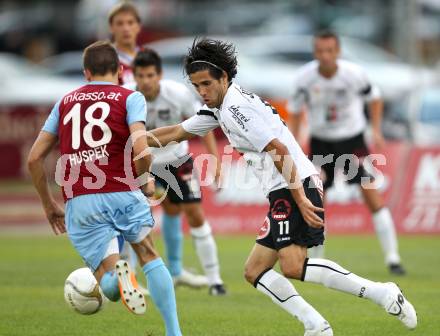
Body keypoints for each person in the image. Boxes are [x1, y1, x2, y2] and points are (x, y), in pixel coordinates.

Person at [145, 38, 417, 336]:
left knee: (293, 266)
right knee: (254, 271)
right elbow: (176, 131)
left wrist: (299, 198)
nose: (202, 92)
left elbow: (278, 150)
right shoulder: (219, 107)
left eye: (207, 84)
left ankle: (382, 293)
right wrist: (134, 136)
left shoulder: (237, 108)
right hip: (285, 190)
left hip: (293, 185)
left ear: (224, 76)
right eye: (197, 86)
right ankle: (316, 326)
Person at [27, 41, 182, 336]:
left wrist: (49, 205)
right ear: (120, 69)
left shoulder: (65, 102)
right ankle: (174, 332)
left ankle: (115, 279)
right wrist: (142, 178)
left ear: (86, 73)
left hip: (81, 200)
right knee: (149, 254)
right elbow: (142, 148)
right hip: (122, 191)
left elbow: (34, 158)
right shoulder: (130, 97)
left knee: (108, 280)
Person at [286, 31, 406, 275]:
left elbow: (375, 98)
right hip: (321, 143)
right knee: (317, 200)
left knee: (371, 195)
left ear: (338, 52)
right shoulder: (304, 78)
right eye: (320, 51)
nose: (325, 56)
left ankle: (393, 258)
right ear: (315, 52)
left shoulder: (353, 74)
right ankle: (317, 259)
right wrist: (294, 142)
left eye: (330, 51)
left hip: (352, 142)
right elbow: (296, 111)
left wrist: (376, 129)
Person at [129, 48, 226, 295]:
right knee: (132, 219)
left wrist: (214, 161)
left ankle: (215, 280)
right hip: (142, 163)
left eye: (150, 75)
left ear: (159, 75)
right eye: (141, 75)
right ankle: (131, 279)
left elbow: (203, 124)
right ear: (135, 76)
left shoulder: (178, 94)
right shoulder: (128, 96)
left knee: (193, 213)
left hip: (177, 160)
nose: (146, 81)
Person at [108, 1, 141, 84]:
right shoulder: (105, 59)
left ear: (138, 26)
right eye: (120, 23)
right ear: (111, 27)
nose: (126, 29)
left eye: (130, 23)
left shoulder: (149, 56)